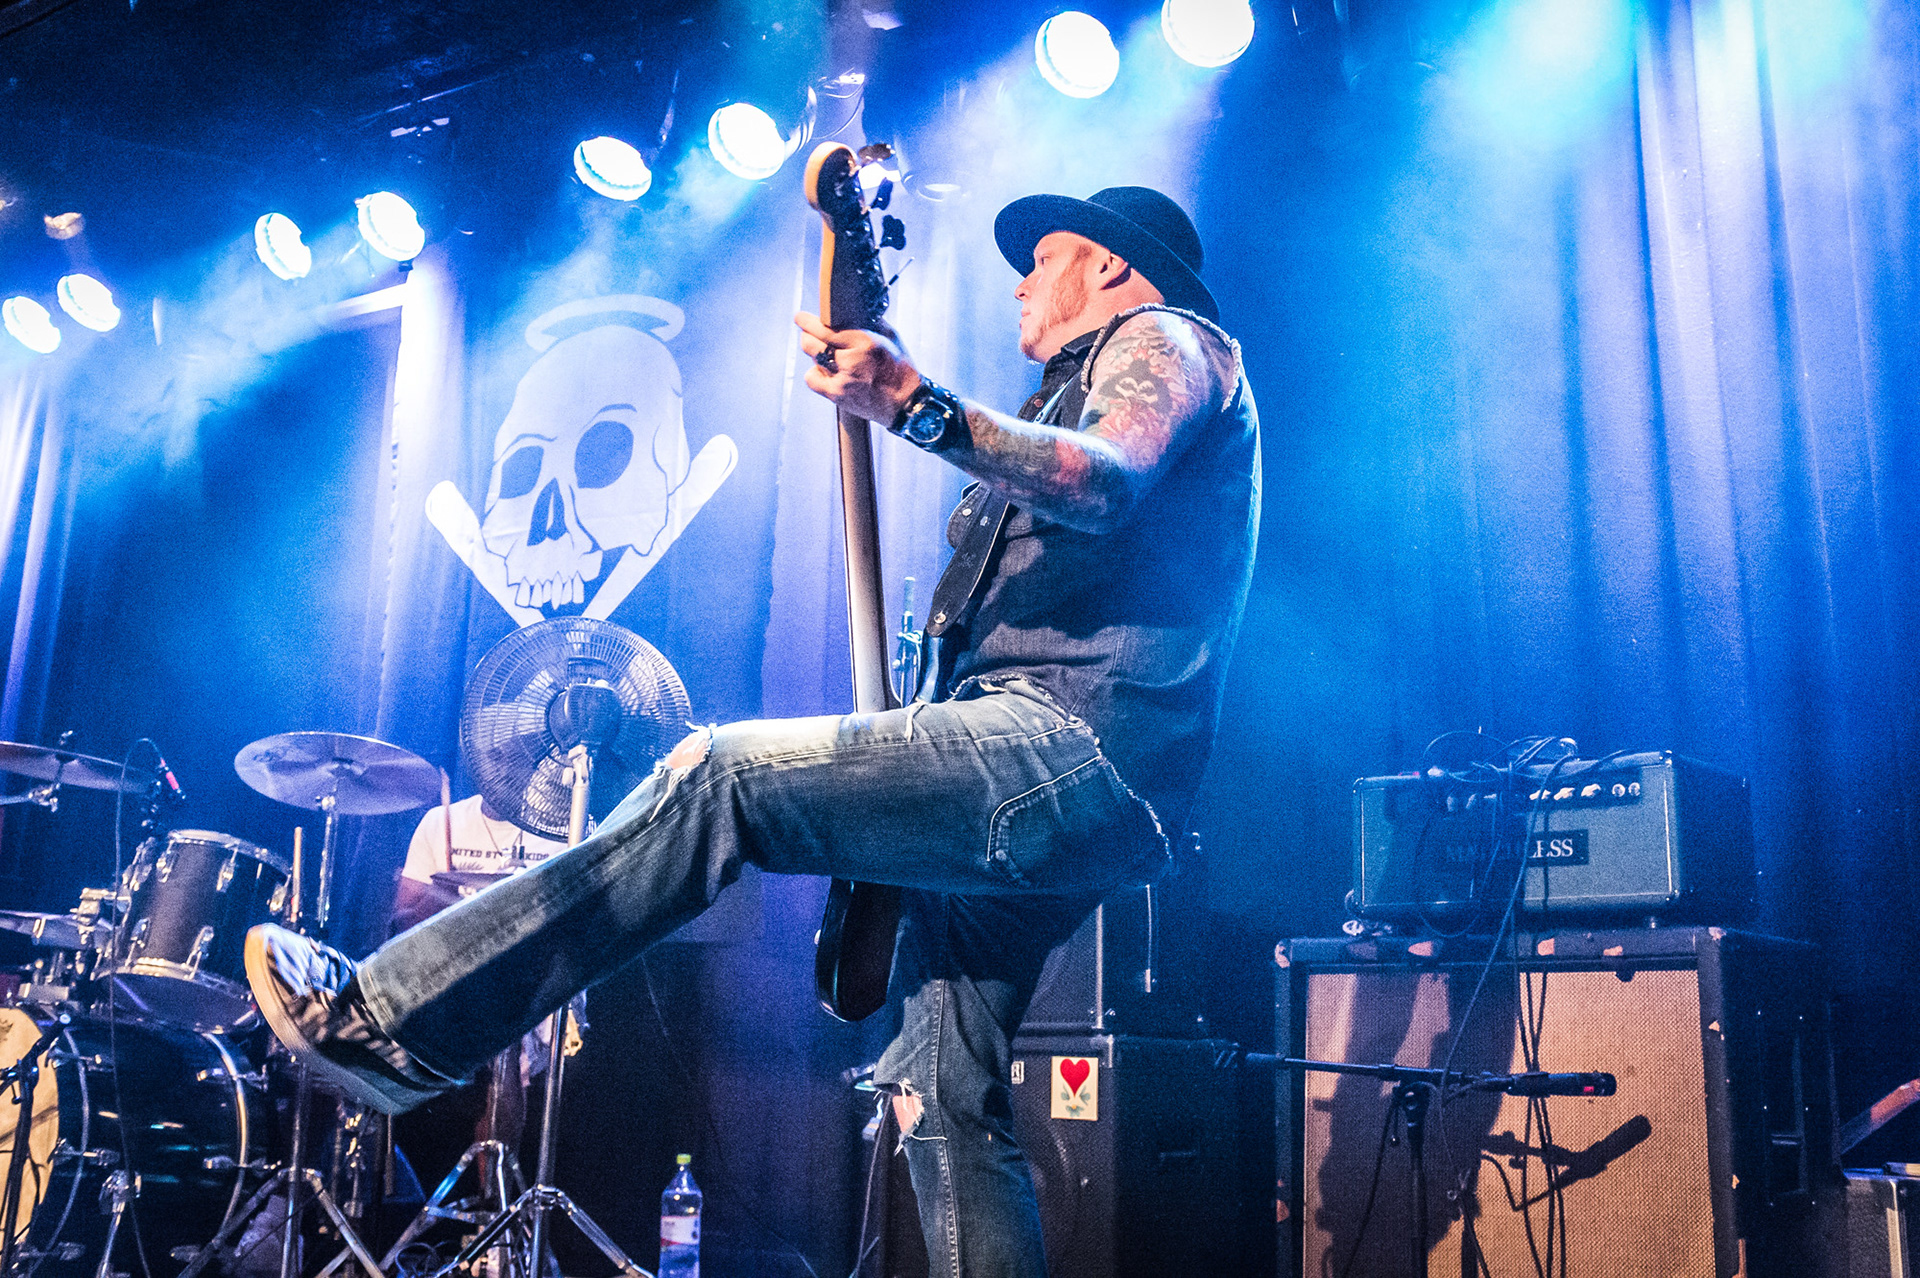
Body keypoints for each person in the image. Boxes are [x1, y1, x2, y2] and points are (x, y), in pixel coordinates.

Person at [244, 185, 1260, 1278]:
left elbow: (1104, 483)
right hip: (1061, 771)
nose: (1022, 283)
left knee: (719, 775)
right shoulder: (1066, 391)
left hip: (1070, 747)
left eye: (1046, 257)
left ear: (1109, 266)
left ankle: (398, 1025)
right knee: (938, 1086)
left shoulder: (1168, 339)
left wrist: (913, 400)